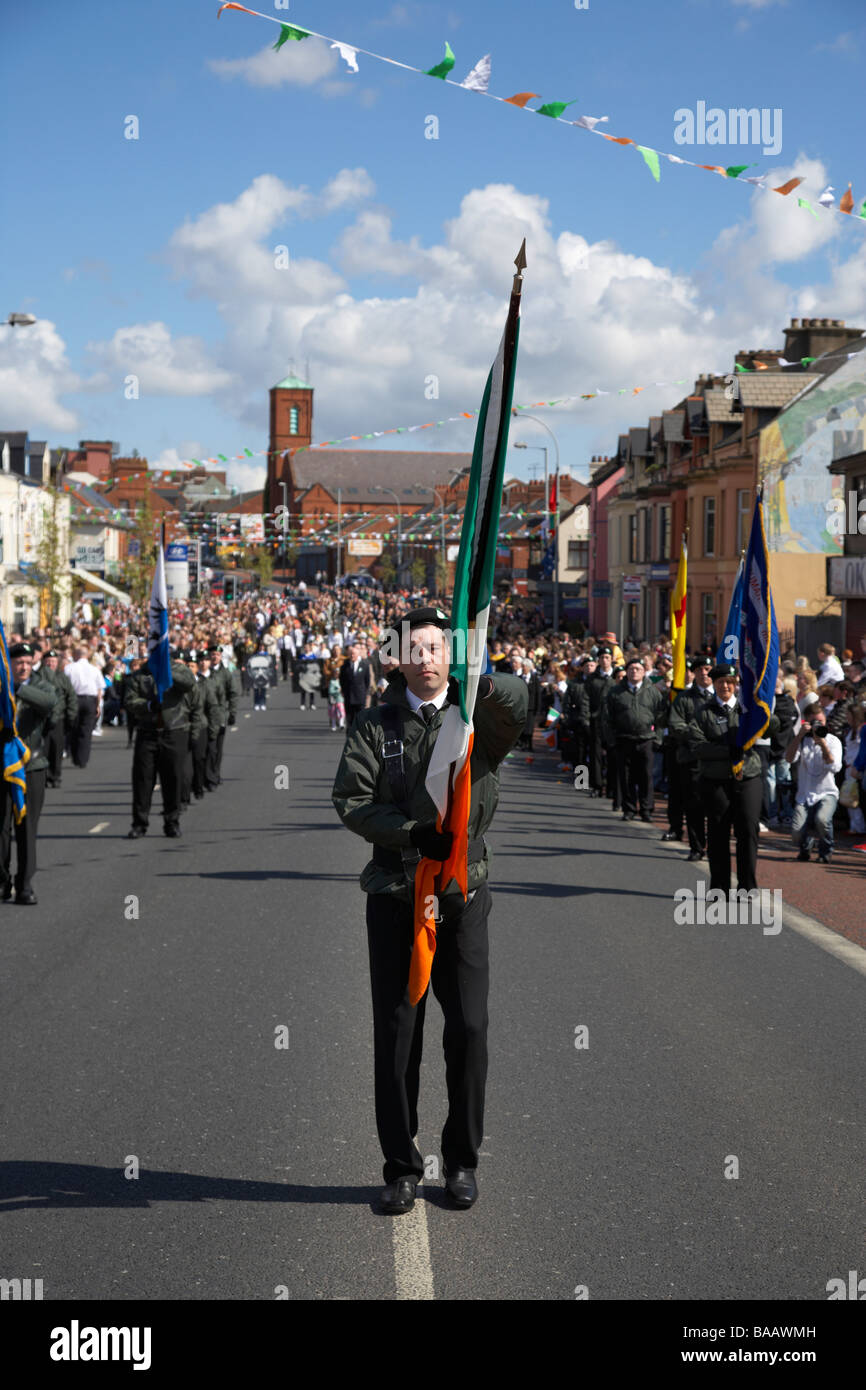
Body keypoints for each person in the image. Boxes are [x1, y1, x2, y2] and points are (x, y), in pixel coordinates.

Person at [331, 608, 528, 1216]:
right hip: (396, 894)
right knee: (398, 1035)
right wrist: (414, 834)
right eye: (413, 648)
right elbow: (352, 800)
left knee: (468, 1028)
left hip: (460, 895)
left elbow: (519, 703)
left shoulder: (475, 720)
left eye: (436, 647)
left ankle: (463, 1161)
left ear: (453, 654)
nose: (424, 658)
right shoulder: (374, 723)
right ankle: (401, 1166)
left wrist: (487, 681)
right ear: (398, 656)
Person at [688, 663, 776, 893]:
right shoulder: (703, 712)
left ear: (736, 684)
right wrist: (729, 751)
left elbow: (772, 727)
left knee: (748, 831)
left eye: (730, 682)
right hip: (716, 780)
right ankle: (719, 887)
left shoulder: (748, 709)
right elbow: (697, 746)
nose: (725, 686)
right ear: (714, 685)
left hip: (748, 777)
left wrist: (764, 709)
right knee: (717, 833)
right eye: (720, 682)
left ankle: (747, 887)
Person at [123, 652, 204, 838]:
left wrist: (165, 673)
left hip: (174, 732)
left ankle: (172, 822)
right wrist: (149, 706)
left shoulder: (179, 670)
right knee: (143, 780)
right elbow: (129, 701)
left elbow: (188, 684)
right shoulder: (140, 675)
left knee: (173, 780)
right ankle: (139, 824)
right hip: (148, 733)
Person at [0, 643, 56, 904]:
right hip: (3, 768)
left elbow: (49, 703)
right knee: (1, 828)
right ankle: (2, 881)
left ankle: (25, 884)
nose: (22, 667)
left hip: (31, 767)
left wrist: (18, 689)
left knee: (26, 828)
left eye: (26, 662)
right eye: (17, 662)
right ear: (8, 663)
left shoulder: (41, 685)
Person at [601, 655, 667, 821]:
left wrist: (657, 739)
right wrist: (612, 741)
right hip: (624, 739)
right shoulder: (616, 692)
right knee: (626, 776)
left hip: (646, 739)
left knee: (646, 776)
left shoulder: (653, 692)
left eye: (638, 669)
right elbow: (607, 719)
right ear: (626, 672)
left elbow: (661, 717)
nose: (634, 672)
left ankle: (646, 809)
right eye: (631, 669)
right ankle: (629, 809)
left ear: (644, 671)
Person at [667, 655, 714, 858]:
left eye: (707, 668)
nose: (704, 673)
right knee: (693, 806)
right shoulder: (684, 698)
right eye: (699, 669)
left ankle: (715, 846)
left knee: (715, 808)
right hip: (692, 759)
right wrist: (699, 735)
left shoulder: (723, 696)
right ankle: (696, 847)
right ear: (693, 673)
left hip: (717, 761)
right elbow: (676, 726)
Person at [785, 700, 843, 864]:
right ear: (806, 723)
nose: (818, 725)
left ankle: (826, 851)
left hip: (827, 792)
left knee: (822, 820)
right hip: (804, 794)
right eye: (814, 722)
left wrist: (822, 743)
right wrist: (799, 736)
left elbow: (835, 767)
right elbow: (789, 758)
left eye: (821, 722)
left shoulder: (833, 741)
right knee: (796, 832)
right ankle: (806, 846)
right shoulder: (802, 740)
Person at [40, 648, 78, 789]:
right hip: (42, 720)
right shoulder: (38, 676)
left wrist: (71, 716)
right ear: (44, 662)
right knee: (42, 750)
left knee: (56, 750)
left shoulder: (62, 677)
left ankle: (55, 776)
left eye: (54, 661)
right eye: (48, 661)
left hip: (59, 720)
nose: (51, 664)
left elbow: (71, 697)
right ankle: (42, 777)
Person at [64, 644, 103, 767]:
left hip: (74, 699)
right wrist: (98, 705)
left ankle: (74, 754)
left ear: (76, 655)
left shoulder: (69, 668)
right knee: (86, 730)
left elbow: (65, 686)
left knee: (74, 728)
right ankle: (82, 759)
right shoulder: (94, 669)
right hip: (90, 700)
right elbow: (99, 690)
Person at [338, 642, 372, 727]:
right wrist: (343, 691)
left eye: (354, 654)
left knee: (361, 719)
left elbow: (367, 681)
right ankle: (350, 738)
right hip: (349, 696)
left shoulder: (364, 665)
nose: (352, 656)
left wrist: (366, 693)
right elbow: (342, 680)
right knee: (350, 720)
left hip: (360, 696)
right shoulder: (344, 666)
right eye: (350, 654)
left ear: (357, 655)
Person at [247, 643, 275, 711]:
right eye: (260, 646)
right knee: (256, 690)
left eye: (263, 647)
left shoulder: (267, 655)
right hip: (256, 676)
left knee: (263, 690)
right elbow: (249, 664)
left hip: (264, 676)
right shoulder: (255, 655)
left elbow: (271, 664)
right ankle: (256, 704)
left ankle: (263, 703)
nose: (261, 648)